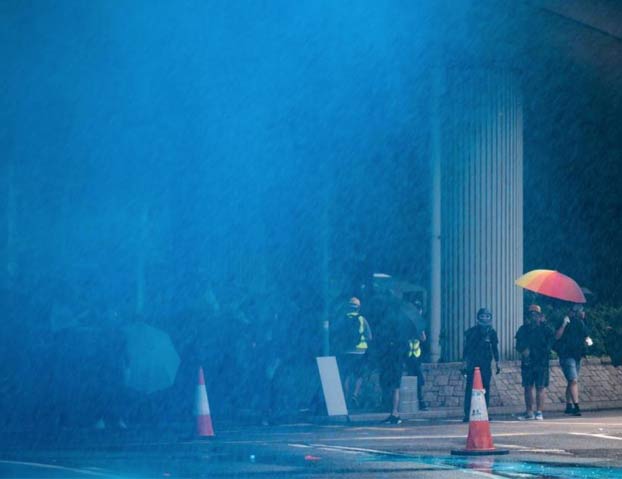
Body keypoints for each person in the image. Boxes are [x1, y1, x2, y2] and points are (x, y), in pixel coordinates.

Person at [515, 304, 555, 420]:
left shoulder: (546, 329)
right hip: (528, 362)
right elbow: (518, 345)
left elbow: (551, 342)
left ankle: (539, 412)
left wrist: (546, 351)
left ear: (540, 315)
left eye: (536, 314)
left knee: (540, 387)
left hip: (541, 362)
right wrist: (523, 350)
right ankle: (529, 412)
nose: (533, 317)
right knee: (527, 386)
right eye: (531, 314)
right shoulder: (523, 329)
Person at [331, 297, 372, 408]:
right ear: (358, 308)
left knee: (346, 375)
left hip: (345, 352)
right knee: (360, 375)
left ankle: (345, 398)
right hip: (360, 352)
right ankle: (355, 394)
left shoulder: (341, 319)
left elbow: (335, 335)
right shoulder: (362, 319)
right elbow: (369, 337)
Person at [462, 307, 500, 422]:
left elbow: (495, 348)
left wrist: (497, 362)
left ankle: (484, 412)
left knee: (485, 388)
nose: (485, 318)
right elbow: (466, 348)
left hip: (486, 363)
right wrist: (464, 362)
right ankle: (468, 413)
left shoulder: (492, 332)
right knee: (470, 387)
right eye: (482, 316)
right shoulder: (471, 331)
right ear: (478, 318)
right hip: (473, 363)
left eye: (487, 316)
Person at [555, 303, 590, 417]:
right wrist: (564, 324)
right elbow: (557, 336)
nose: (582, 312)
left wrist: (587, 343)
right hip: (566, 355)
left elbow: (586, 336)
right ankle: (576, 406)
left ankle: (568, 405)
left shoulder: (580, 323)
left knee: (571, 381)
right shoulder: (564, 321)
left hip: (577, 355)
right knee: (573, 380)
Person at [404, 301, 429, 411]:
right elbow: (423, 338)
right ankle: (419, 401)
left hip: (413, 355)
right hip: (411, 355)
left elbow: (423, 338)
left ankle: (419, 400)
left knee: (416, 378)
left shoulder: (417, 322)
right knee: (415, 378)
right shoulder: (412, 322)